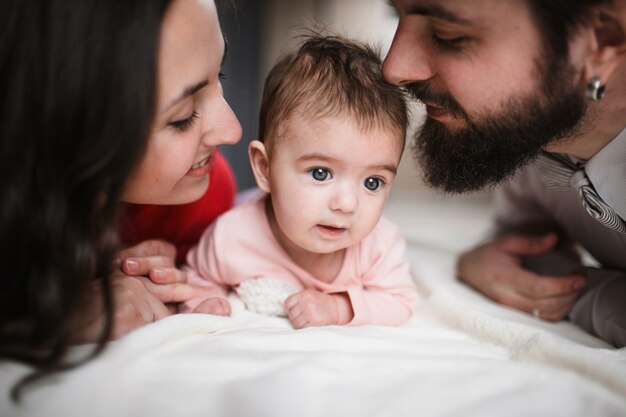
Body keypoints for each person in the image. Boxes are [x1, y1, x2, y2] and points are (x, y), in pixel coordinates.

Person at [0, 0, 242, 391]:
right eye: (182, 116)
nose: (232, 130)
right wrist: (54, 313)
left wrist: (185, 268)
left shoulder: (207, 191)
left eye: (221, 73)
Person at [382, 0, 626, 346]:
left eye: (446, 34)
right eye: (396, 16)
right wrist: (486, 261)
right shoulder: (532, 139)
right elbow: (522, 250)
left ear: (603, 41)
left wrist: (586, 294)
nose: (393, 68)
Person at [181, 35, 419, 328]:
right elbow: (197, 276)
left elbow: (400, 301)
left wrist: (339, 307)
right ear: (265, 168)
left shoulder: (378, 245)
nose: (346, 204)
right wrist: (207, 300)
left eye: (372, 182)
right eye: (320, 173)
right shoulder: (231, 236)